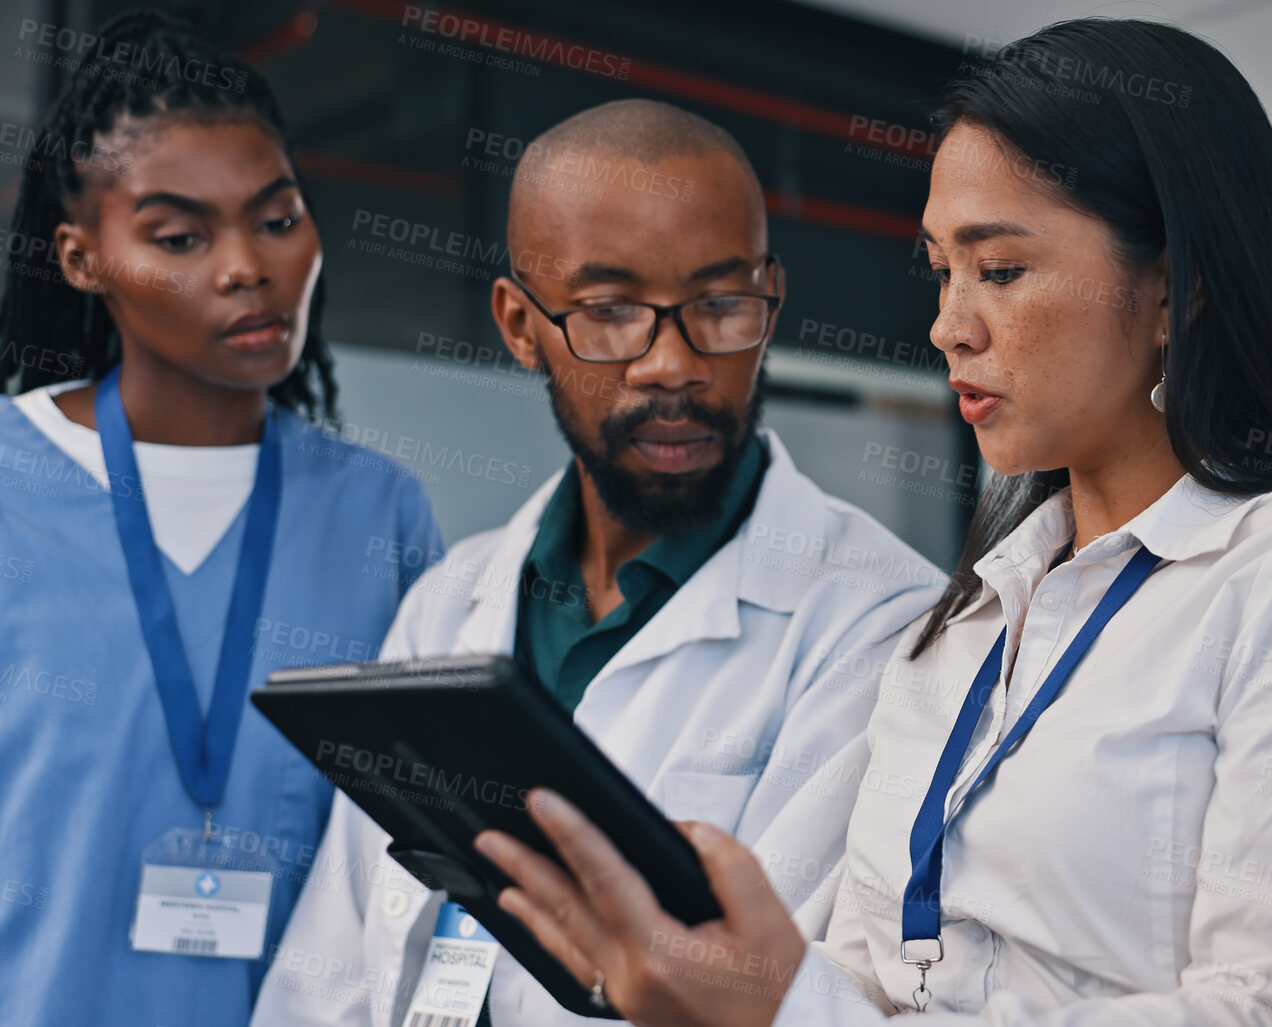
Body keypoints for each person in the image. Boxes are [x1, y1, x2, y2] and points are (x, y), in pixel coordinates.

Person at [470, 19, 1272, 1027]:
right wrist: (738, 979)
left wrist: (784, 1007)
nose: (947, 324)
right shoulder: (965, 626)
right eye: (941, 270)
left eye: (1000, 270)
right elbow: (881, 979)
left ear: (1173, 285)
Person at [252, 99, 946, 1027]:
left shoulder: (879, 625)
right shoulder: (449, 600)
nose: (670, 363)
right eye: (611, 310)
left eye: (720, 303)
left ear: (770, 296)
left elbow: (773, 993)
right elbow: (327, 973)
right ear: (517, 321)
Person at [0, 10, 443, 1027]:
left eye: (278, 218)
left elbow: (412, 863)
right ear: (80, 257)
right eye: (179, 237)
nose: (248, 266)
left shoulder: (379, 515)